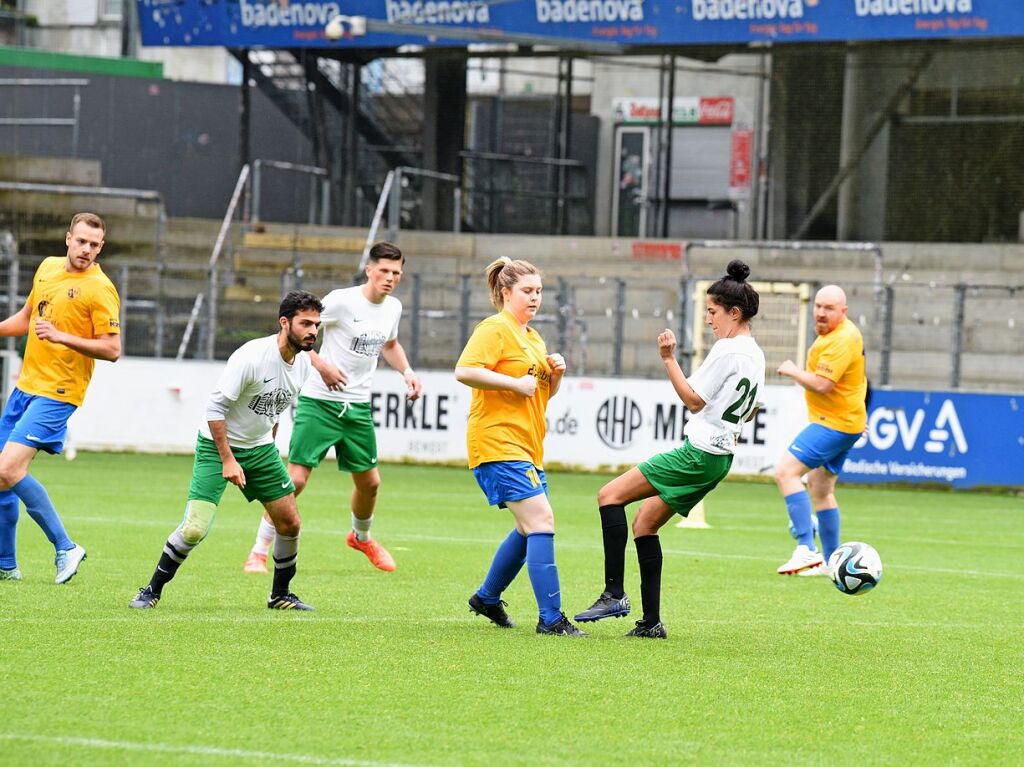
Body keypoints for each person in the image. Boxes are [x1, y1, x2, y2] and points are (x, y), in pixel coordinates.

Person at [574, 260, 765, 638]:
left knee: (609, 495)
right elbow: (752, 408)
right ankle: (651, 623)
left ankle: (613, 593)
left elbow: (694, 401)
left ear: (734, 312)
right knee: (644, 524)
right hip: (719, 457)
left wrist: (668, 358)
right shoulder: (755, 353)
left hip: (698, 454)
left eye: (712, 312)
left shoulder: (728, 350)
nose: (709, 319)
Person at [129, 291, 323, 611]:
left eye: (316, 324)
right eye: (306, 323)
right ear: (284, 322)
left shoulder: (303, 365)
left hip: (260, 450)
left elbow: (271, 411)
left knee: (290, 522)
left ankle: (280, 595)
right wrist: (228, 460)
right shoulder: (251, 356)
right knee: (195, 528)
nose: (313, 331)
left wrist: (269, 449)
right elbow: (215, 408)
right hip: (216, 446)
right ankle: (151, 590)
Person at [242, 242, 421, 574]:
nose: (390, 277)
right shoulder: (341, 301)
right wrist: (321, 365)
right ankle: (258, 551)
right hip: (320, 402)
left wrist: (407, 372)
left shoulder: (393, 308)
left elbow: (391, 344)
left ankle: (361, 537)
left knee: (370, 483)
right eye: (383, 270)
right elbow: (299, 334)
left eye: (396, 272)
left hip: (357, 407)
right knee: (295, 480)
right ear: (369, 270)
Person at [456, 257, 585, 637]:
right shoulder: (495, 328)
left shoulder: (531, 336)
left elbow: (540, 395)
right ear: (505, 292)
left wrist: (555, 376)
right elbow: (464, 370)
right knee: (542, 521)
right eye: (527, 291)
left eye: (539, 291)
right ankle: (551, 619)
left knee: (530, 528)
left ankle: (487, 598)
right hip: (498, 442)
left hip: (527, 447)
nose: (535, 298)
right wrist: (513, 384)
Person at [0, 212, 121, 584]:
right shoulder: (48, 268)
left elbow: (112, 349)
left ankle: (66, 547)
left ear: (100, 248)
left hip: (59, 392)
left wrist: (62, 335)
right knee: (1, 476)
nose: (86, 249)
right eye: (81, 241)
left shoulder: (100, 289)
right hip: (26, 388)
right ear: (69, 238)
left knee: (8, 469)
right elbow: (25, 318)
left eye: (94, 245)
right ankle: (6, 565)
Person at [774, 284, 867, 576]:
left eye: (829, 308)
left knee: (786, 472)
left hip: (834, 424)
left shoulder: (842, 339)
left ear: (844, 311)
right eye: (818, 306)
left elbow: (823, 384)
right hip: (845, 422)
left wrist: (792, 371)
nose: (821, 313)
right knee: (821, 489)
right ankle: (831, 561)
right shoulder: (836, 335)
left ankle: (805, 549)